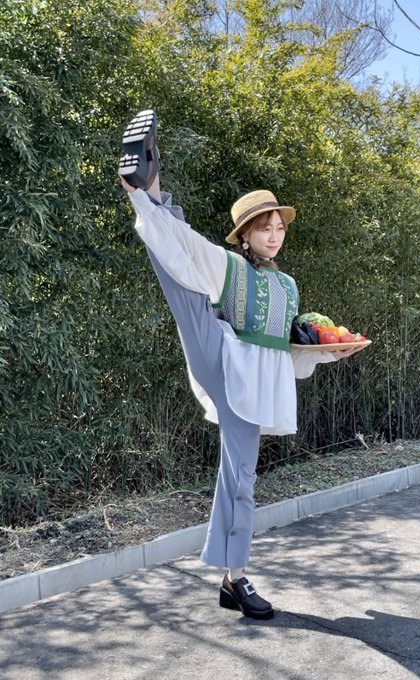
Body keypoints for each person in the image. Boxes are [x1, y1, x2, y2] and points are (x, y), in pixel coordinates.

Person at [118, 109, 368, 620]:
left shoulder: (288, 285)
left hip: (254, 384)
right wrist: (145, 196)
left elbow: (287, 350)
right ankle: (145, 185)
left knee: (240, 479)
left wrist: (332, 351)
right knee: (186, 279)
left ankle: (232, 578)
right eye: (264, 228)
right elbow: (189, 250)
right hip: (222, 355)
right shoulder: (230, 265)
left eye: (278, 227)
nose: (274, 235)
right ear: (245, 234)